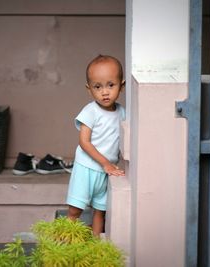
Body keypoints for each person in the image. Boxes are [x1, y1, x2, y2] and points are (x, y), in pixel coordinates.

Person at [66, 55, 125, 236]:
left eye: (110, 85)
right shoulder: (91, 111)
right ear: (89, 90)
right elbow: (84, 142)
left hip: (105, 172)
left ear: (121, 86)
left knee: (100, 212)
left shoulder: (122, 112)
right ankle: (62, 247)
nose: (104, 92)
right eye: (97, 87)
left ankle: (96, 246)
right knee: (75, 210)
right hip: (87, 167)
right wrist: (105, 163)